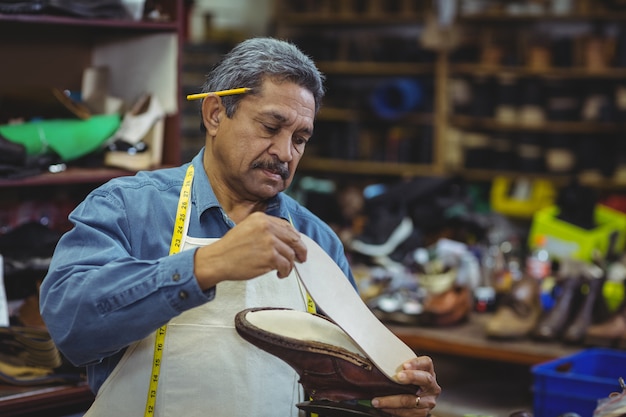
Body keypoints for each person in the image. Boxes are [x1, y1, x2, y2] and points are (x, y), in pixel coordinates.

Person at [39, 37, 441, 417]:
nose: (285, 152)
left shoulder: (315, 241)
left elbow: (342, 383)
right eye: (270, 127)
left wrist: (388, 395)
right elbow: (71, 326)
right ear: (215, 114)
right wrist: (203, 266)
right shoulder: (128, 206)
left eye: (300, 138)